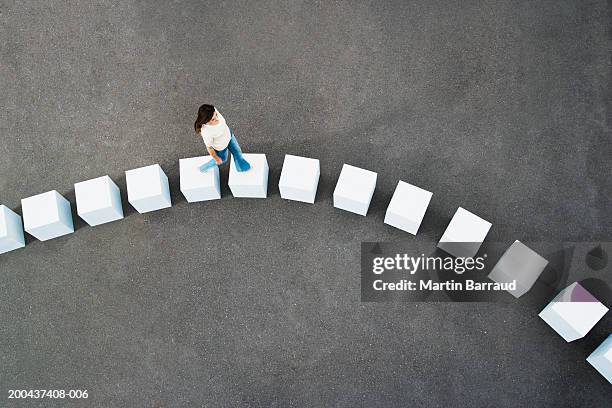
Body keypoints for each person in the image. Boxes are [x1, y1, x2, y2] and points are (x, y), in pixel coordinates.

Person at [194, 104, 251, 172]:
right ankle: (203, 168)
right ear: (206, 121)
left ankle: (241, 169)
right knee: (222, 160)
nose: (217, 119)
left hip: (229, 136)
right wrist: (216, 158)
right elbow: (209, 148)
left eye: (216, 115)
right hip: (221, 147)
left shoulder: (213, 110)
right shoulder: (206, 132)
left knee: (237, 152)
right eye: (213, 119)